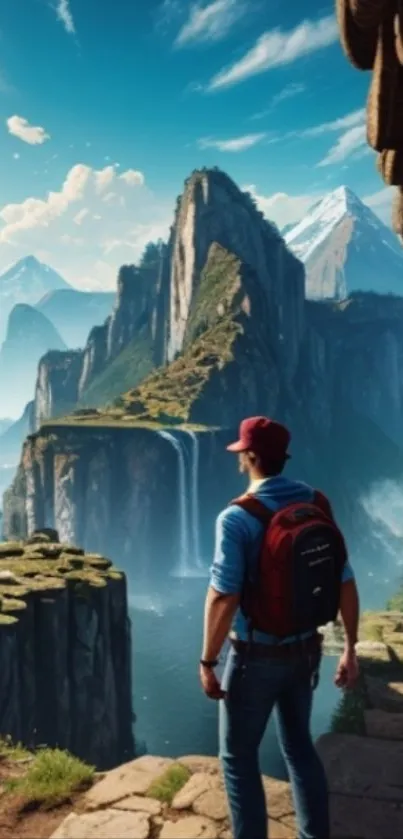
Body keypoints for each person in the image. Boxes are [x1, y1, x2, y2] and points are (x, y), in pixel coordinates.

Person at [200, 416, 360, 839]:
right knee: (299, 748)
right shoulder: (316, 503)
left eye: (242, 453)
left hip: (254, 657)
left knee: (237, 757)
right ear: (282, 458)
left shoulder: (235, 518)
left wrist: (208, 660)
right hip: (306, 650)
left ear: (250, 457)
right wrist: (350, 649)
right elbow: (345, 578)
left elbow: (223, 595)